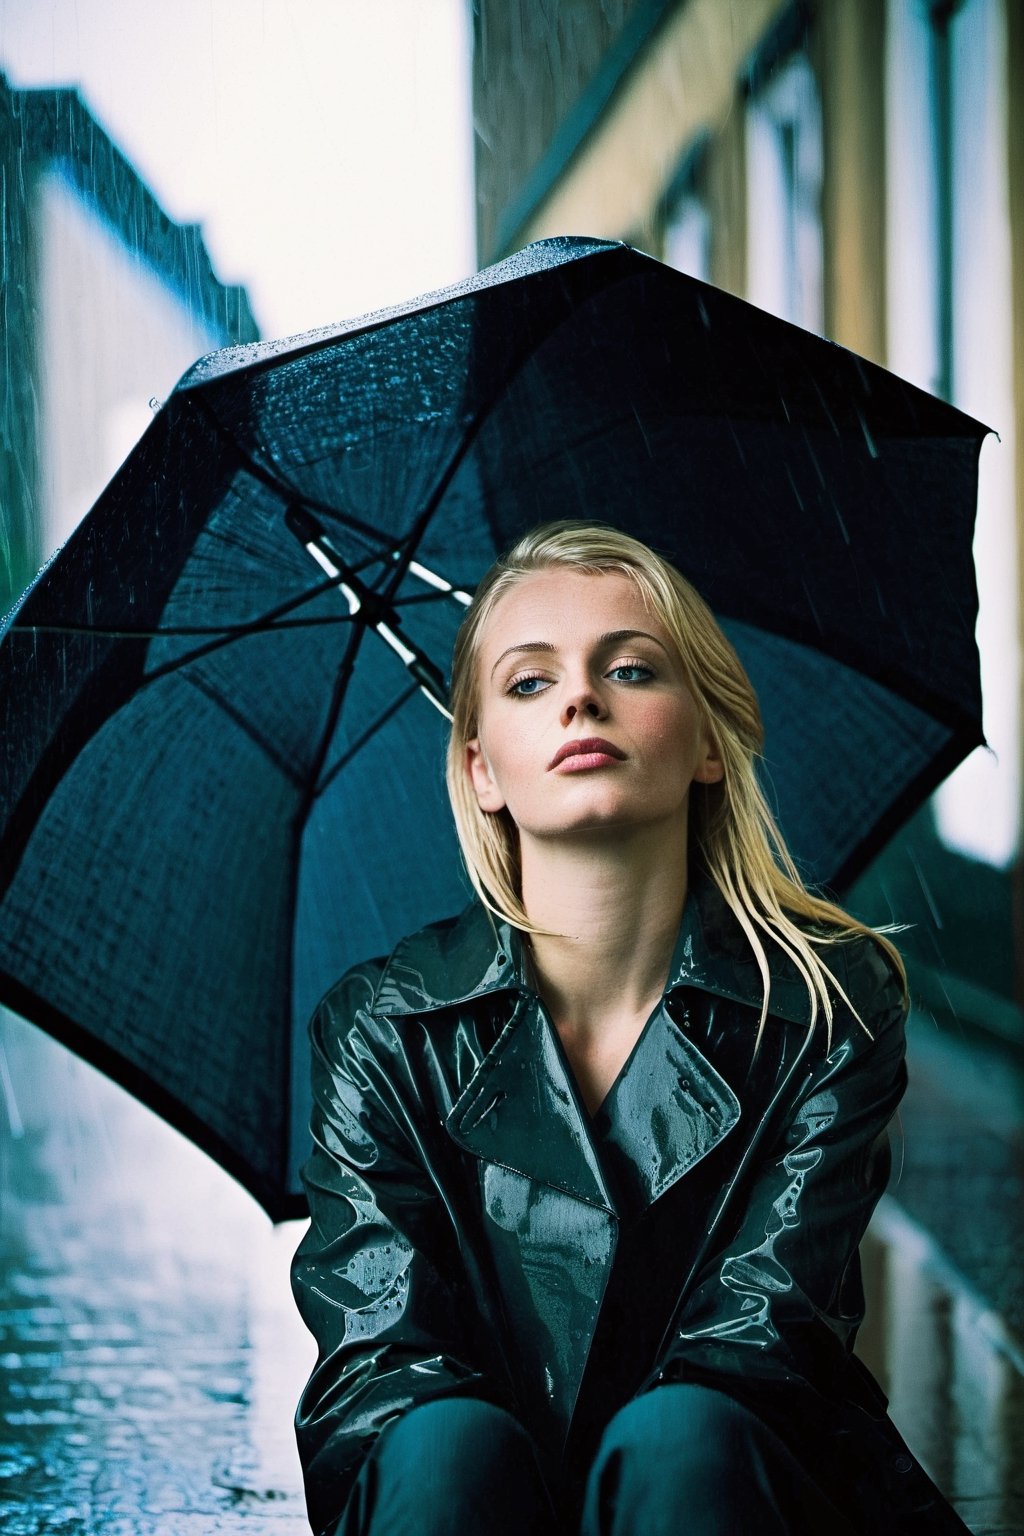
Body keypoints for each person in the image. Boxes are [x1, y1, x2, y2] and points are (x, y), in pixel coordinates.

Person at [290, 520, 972, 1536]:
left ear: (705, 741)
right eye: (528, 682)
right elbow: (374, 1361)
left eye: (631, 668)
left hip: (728, 1487)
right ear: (482, 770)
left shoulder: (827, 1003)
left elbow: (768, 1338)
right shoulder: (384, 1029)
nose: (580, 697)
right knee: (439, 1444)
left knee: (681, 1441)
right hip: (468, 1498)